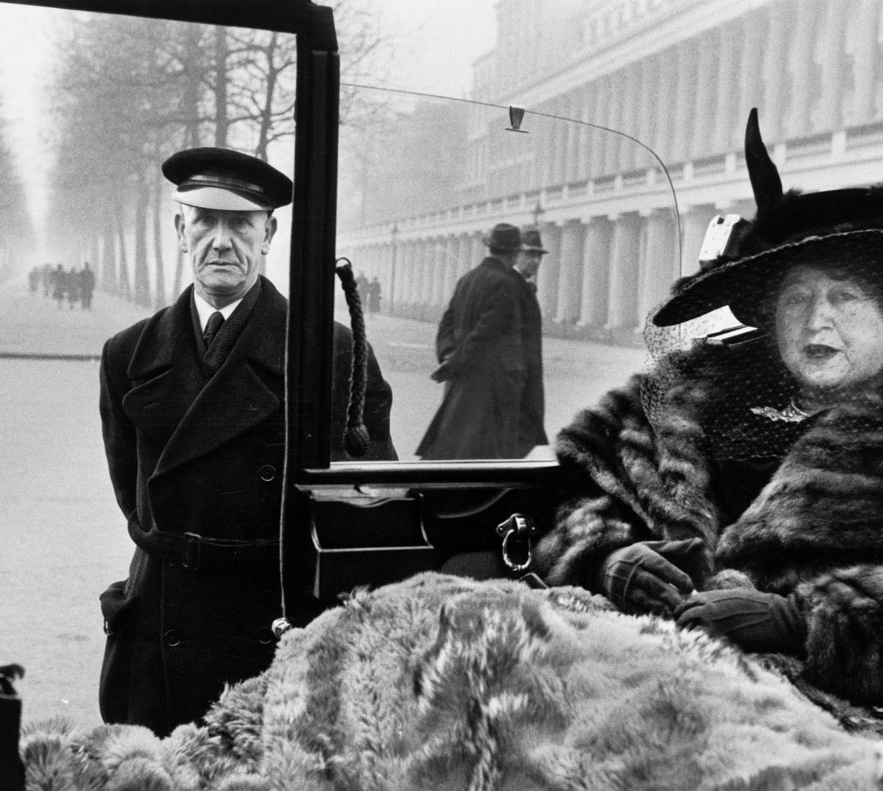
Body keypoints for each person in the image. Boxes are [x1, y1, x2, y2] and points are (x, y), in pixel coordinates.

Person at [534, 109, 883, 733]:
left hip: (816, 716)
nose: (815, 319)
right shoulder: (676, 400)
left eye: (846, 297)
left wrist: (797, 621)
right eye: (796, 298)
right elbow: (575, 502)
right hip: (628, 666)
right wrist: (610, 560)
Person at [97, 146, 397, 736]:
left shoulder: (329, 355)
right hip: (160, 626)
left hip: (274, 630)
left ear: (269, 235)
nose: (221, 240)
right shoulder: (127, 354)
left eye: (241, 224)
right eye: (205, 221)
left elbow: (370, 510)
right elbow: (134, 499)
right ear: (182, 230)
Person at [416, 222, 527, 459]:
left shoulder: (467, 279)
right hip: (487, 380)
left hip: (459, 377)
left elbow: (446, 323)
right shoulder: (505, 283)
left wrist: (448, 354)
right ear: (514, 253)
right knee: (480, 449)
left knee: (452, 440)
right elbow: (485, 333)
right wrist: (455, 361)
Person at [514, 226, 549, 456]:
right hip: (517, 378)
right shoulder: (510, 285)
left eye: (538, 256)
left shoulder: (523, 285)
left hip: (528, 377)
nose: (536, 261)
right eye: (530, 255)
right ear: (516, 254)